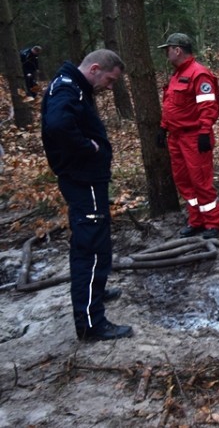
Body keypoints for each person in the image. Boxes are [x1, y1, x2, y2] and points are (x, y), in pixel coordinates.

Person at [41, 49, 133, 341]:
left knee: (96, 240)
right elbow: (57, 125)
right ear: (94, 68)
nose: (109, 87)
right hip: (83, 180)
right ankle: (91, 324)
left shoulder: (72, 85)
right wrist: (88, 148)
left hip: (87, 180)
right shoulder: (67, 89)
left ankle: (97, 289)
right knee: (90, 247)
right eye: (109, 80)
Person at [157, 33, 219, 239]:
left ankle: (214, 223)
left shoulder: (199, 74)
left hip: (194, 137)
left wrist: (204, 132)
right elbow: (171, 106)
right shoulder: (177, 75)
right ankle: (196, 221)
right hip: (176, 137)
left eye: (167, 49)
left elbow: (208, 107)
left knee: (200, 181)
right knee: (184, 182)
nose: (166, 54)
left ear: (177, 50)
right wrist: (163, 128)